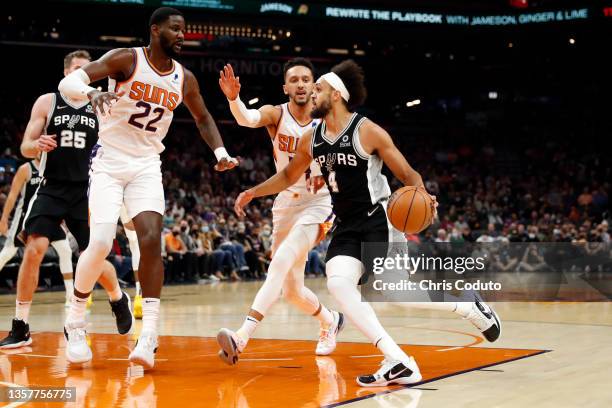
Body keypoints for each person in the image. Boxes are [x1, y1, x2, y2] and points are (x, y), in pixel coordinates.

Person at [235, 60, 501, 387]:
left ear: (335, 95)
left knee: (396, 294)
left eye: (318, 88)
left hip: (379, 221)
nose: (312, 95)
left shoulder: (367, 131)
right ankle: (398, 360)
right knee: (338, 284)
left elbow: (407, 174)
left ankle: (466, 305)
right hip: (347, 225)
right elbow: (289, 175)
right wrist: (252, 191)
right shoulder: (311, 138)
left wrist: (423, 196)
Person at [58, 7, 238, 368]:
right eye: (175, 29)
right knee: (101, 240)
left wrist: (220, 151)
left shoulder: (184, 78)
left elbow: (203, 117)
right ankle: (74, 319)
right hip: (109, 160)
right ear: (155, 31)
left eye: (184, 30)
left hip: (146, 165)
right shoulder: (126, 59)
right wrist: (90, 94)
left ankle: (150, 335)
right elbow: (68, 83)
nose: (182, 35)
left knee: (152, 238)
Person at [0, 50, 133, 349]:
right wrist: (37, 144)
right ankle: (20, 326)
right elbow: (24, 146)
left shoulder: (101, 104)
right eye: (76, 69)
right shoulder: (48, 101)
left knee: (93, 257)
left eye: (87, 70)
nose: (82, 74)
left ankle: (117, 297)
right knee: (34, 248)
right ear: (65, 74)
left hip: (88, 189)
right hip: (51, 186)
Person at [216, 59, 342, 366]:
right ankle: (330, 320)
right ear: (285, 87)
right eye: (294, 80)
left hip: (319, 202)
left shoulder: (328, 118)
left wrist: (331, 174)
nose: (300, 84)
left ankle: (241, 337)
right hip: (285, 202)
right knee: (292, 291)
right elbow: (246, 118)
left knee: (282, 260)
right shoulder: (277, 113)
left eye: (305, 79)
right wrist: (234, 99)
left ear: (314, 86)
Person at [0, 158, 75, 308]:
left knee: (66, 251)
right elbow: (13, 195)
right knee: (7, 253)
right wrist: (3, 218)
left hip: (51, 217)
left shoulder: (53, 166)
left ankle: (70, 296)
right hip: (25, 219)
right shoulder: (25, 169)